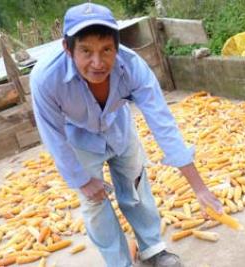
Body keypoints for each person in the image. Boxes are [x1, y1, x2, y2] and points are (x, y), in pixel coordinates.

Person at [30, 2, 223, 267]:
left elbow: (162, 123)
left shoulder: (133, 67)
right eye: (86, 51)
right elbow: (52, 134)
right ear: (67, 47)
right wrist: (82, 180)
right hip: (78, 136)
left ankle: (153, 249)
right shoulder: (45, 78)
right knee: (94, 204)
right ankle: (120, 263)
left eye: (106, 50)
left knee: (135, 185)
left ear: (117, 48)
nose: (97, 63)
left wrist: (198, 188)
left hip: (118, 127)